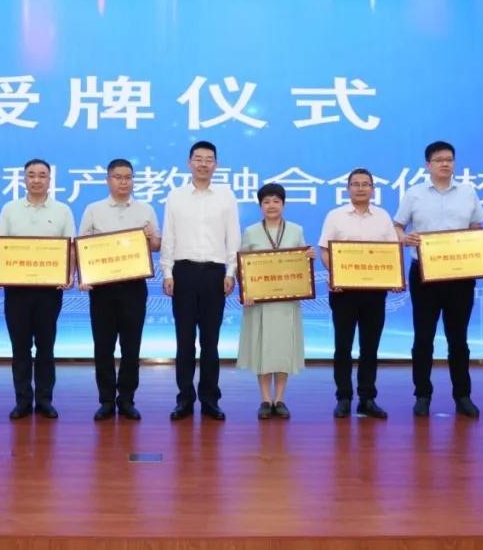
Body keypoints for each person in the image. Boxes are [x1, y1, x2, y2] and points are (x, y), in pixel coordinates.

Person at [394, 141, 483, 418]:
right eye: (439, 160)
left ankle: (463, 396)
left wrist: (477, 253)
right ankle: (422, 394)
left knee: (458, 339)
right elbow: (397, 226)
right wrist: (404, 238)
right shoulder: (414, 193)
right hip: (424, 274)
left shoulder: (468, 192)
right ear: (428, 165)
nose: (445, 164)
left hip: (460, 276)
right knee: (423, 337)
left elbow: (476, 227)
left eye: (449, 159)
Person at [160, 140, 240, 421]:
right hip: (183, 272)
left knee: (210, 341)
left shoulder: (226, 196)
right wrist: (167, 272)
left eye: (209, 159)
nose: (203, 164)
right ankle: (184, 399)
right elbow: (169, 236)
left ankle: (210, 399)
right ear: (189, 162)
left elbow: (233, 236)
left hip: (214, 274)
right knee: (184, 341)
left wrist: (230, 272)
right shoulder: (176, 196)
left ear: (216, 164)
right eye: (198, 158)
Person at [78, 159, 160, 421]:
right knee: (103, 346)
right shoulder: (93, 210)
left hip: (134, 288)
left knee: (131, 347)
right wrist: (84, 276)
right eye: (118, 177)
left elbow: (157, 246)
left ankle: (126, 399)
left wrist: (152, 237)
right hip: (102, 288)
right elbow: (82, 247)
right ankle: (105, 400)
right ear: (108, 180)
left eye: (128, 177)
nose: (124, 182)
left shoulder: (145, 210)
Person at [0, 159, 75, 420]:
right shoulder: (10, 209)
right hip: (17, 289)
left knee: (45, 347)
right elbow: (0, 245)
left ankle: (44, 400)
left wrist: (69, 274)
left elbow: (70, 248)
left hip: (49, 290)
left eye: (42, 175)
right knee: (20, 348)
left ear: (50, 180)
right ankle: (22, 401)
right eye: (31, 175)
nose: (37, 180)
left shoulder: (62, 210)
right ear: (24, 179)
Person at [318, 168, 398, 420]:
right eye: (356, 184)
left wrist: (395, 278)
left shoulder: (383, 217)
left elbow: (392, 252)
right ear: (348, 188)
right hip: (344, 292)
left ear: (373, 189)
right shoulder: (335, 216)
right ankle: (343, 397)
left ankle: (367, 398)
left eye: (366, 184)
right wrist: (335, 275)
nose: (361, 188)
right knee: (343, 347)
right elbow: (325, 251)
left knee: (370, 347)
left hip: (374, 293)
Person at [237, 183, 310, 419]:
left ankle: (280, 399)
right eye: (266, 201)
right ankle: (265, 400)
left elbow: (301, 264)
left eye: (276, 201)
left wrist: (308, 257)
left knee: (282, 349)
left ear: (283, 204)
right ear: (260, 206)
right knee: (262, 349)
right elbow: (242, 265)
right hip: (259, 302)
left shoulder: (296, 230)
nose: (271, 205)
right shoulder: (250, 232)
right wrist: (246, 291)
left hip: (286, 301)